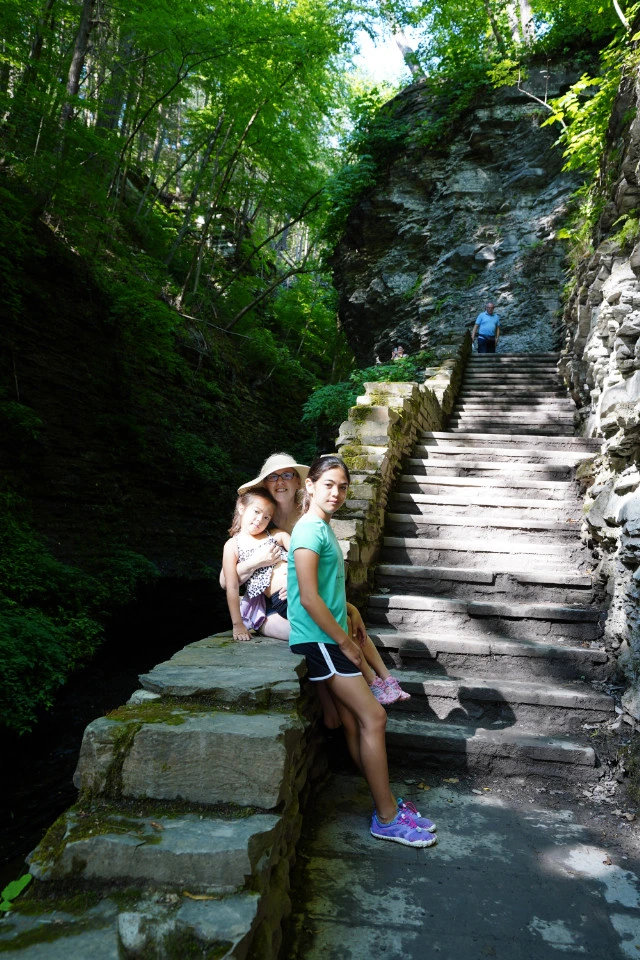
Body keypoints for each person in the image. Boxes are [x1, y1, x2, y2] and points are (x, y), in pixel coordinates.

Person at [287, 455, 437, 847]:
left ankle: (385, 803)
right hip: (321, 640)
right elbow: (307, 597)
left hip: (325, 635)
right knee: (374, 718)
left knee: (357, 723)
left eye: (343, 486)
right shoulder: (308, 531)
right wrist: (345, 644)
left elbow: (327, 591)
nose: (336, 493)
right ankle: (386, 817)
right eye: (329, 485)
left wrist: (350, 610)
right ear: (311, 486)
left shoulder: (321, 527)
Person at [221, 452, 411, 705]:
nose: (280, 481)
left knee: (347, 619)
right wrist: (259, 560)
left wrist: (347, 605)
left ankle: (378, 685)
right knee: (328, 632)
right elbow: (227, 581)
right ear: (264, 485)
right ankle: (364, 691)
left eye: (287, 475)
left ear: (300, 483)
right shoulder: (255, 523)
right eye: (273, 477)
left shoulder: (307, 518)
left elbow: (323, 570)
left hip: (304, 594)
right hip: (274, 604)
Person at [221, 488, 289, 642]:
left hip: (300, 587)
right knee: (324, 626)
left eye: (266, 517)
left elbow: (302, 559)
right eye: (256, 512)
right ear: (241, 508)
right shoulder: (233, 545)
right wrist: (237, 624)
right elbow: (231, 586)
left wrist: (298, 580)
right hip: (282, 597)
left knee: (338, 621)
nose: (260, 519)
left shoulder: (277, 535)